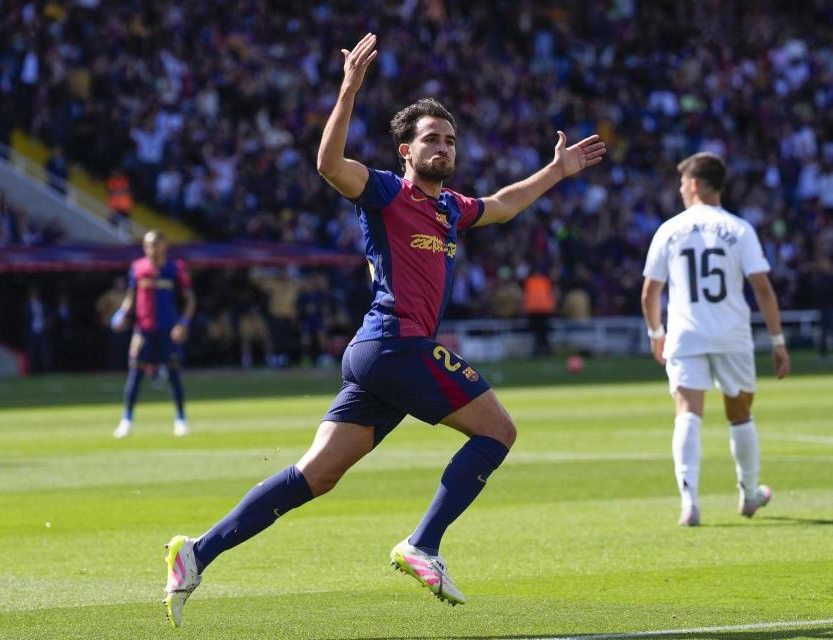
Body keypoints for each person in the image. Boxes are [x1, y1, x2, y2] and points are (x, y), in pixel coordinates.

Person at [161, 33, 605, 627]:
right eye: (431, 139)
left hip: (379, 355)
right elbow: (328, 166)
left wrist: (556, 171)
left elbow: (502, 204)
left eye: (449, 140)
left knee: (316, 475)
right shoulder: (389, 192)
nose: (443, 147)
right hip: (396, 344)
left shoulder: (450, 207)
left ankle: (196, 553)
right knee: (498, 430)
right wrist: (348, 89)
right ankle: (423, 544)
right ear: (405, 150)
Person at [640, 152, 791, 527]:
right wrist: (777, 341)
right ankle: (749, 493)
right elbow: (763, 290)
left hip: (685, 334)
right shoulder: (739, 229)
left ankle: (689, 503)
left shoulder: (669, 229)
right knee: (740, 413)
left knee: (688, 411)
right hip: (731, 334)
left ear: (694, 184)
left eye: (682, 183)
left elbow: (649, 293)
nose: (680, 189)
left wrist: (656, 334)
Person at [111, 229, 196, 438]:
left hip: (168, 330)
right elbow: (131, 297)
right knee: (135, 374)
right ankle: (127, 420)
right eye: (148, 245)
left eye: (155, 244)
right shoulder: (138, 268)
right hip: (143, 330)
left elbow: (190, 300)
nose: (151, 249)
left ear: (164, 246)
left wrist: (183, 323)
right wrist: (122, 314)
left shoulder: (175, 268)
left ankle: (181, 419)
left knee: (173, 374)